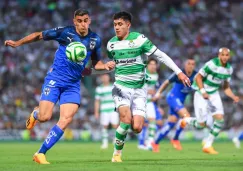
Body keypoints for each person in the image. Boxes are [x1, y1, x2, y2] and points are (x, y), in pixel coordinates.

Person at [5, 9, 115, 164]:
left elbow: (96, 63)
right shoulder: (65, 33)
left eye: (85, 20)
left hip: (73, 84)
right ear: (74, 21)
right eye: (79, 21)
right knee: (45, 117)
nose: (82, 24)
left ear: (89, 20)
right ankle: (36, 114)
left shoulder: (95, 40)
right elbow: (39, 35)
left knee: (66, 119)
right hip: (55, 79)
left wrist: (106, 66)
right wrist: (18, 43)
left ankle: (40, 153)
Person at [106, 11, 191, 162]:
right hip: (121, 87)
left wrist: (179, 72)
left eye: (120, 24)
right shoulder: (111, 44)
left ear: (128, 25)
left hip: (139, 89)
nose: (117, 28)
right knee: (125, 120)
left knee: (137, 127)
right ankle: (117, 154)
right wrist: (109, 65)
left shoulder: (140, 40)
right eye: (115, 25)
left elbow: (161, 55)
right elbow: (114, 63)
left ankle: (126, 130)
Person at [184, 48, 240, 154]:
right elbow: (198, 78)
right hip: (201, 94)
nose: (224, 57)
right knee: (201, 125)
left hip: (213, 94)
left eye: (226, 55)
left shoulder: (229, 69)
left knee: (220, 119)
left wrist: (233, 96)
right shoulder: (211, 64)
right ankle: (186, 120)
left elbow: (226, 87)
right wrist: (203, 91)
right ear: (219, 55)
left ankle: (208, 145)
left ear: (229, 56)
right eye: (222, 55)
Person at [152, 58, 197, 152]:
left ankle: (155, 142)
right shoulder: (179, 74)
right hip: (173, 98)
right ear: (185, 65)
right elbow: (166, 83)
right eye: (189, 63)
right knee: (186, 116)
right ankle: (175, 139)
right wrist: (158, 93)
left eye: (193, 64)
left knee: (171, 123)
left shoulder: (195, 75)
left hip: (180, 101)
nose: (191, 66)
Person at [138, 58, 161, 150]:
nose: (153, 66)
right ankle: (140, 143)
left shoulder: (156, 75)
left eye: (154, 64)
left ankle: (150, 142)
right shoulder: (142, 74)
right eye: (151, 64)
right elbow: (137, 87)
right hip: (140, 101)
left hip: (150, 102)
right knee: (139, 123)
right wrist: (147, 91)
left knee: (152, 121)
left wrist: (155, 95)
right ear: (147, 65)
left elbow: (154, 89)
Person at [94, 74, 119, 149]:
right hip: (104, 110)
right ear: (101, 78)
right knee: (105, 126)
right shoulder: (99, 89)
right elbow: (97, 101)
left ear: (109, 78)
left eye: (106, 77)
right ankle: (105, 142)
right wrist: (96, 112)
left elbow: (117, 98)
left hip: (113, 109)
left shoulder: (113, 86)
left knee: (115, 125)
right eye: (103, 77)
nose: (105, 78)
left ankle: (115, 139)